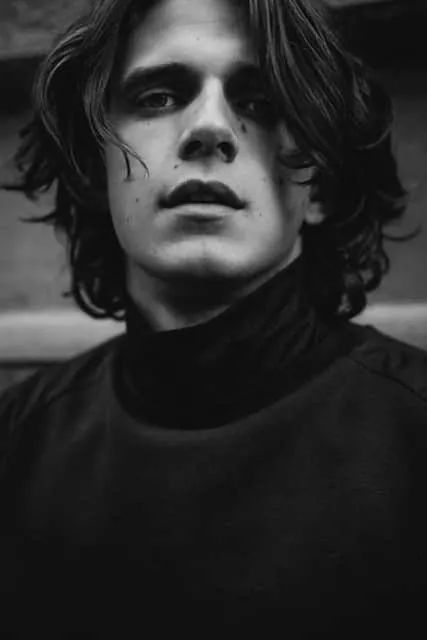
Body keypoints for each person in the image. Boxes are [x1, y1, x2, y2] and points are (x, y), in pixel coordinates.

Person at [1, 0, 426, 636]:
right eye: (158, 97)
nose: (209, 129)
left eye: (260, 101)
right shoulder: (18, 443)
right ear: (95, 167)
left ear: (320, 185)